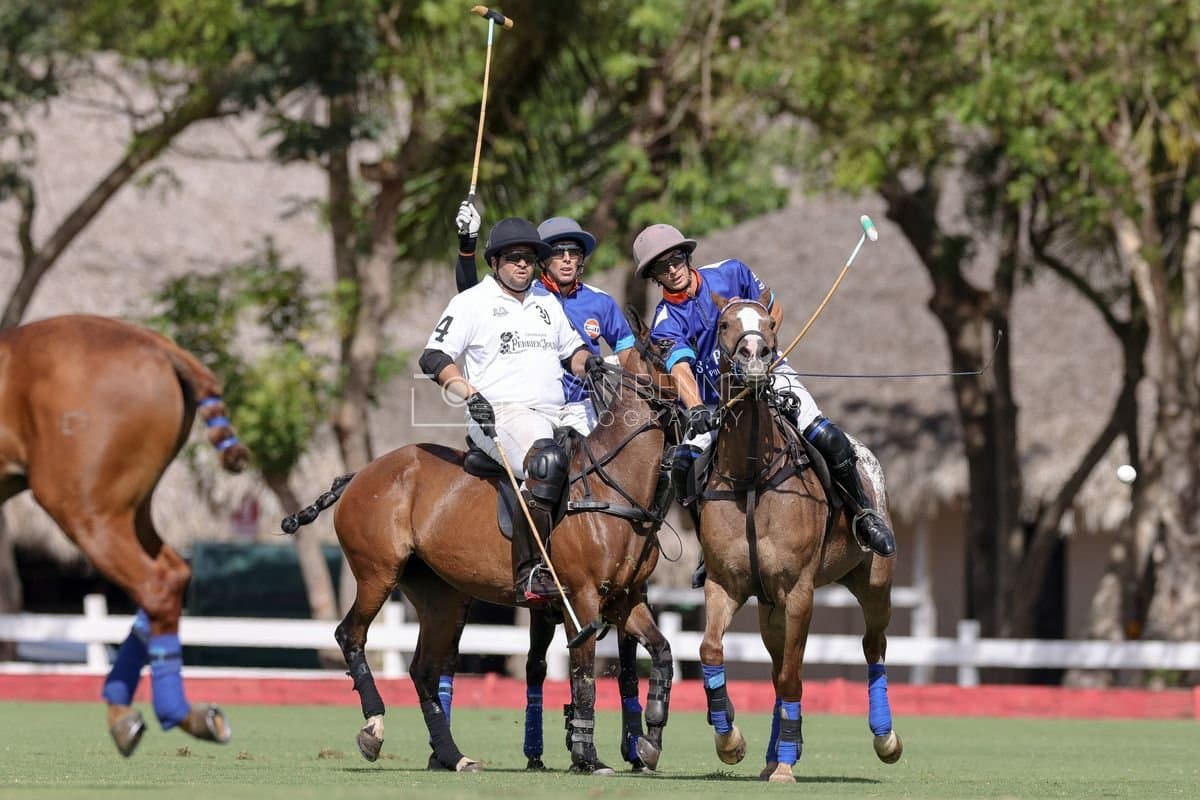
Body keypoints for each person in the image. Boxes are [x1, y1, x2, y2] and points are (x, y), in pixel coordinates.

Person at [632, 223, 896, 586]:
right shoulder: (665, 319)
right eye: (662, 268)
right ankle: (711, 548)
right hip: (718, 401)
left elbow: (774, 311)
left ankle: (864, 516)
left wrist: (764, 355)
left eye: (676, 259)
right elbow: (680, 369)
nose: (673, 270)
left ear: (687, 257)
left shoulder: (730, 272)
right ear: (654, 277)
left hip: (770, 373)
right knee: (682, 464)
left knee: (826, 435)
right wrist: (696, 409)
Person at [420, 216, 594, 605]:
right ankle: (530, 571)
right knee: (546, 462)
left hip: (558, 412)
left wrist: (591, 362)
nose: (523, 265)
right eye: (514, 258)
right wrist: (468, 392)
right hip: (501, 414)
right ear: (495, 262)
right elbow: (433, 357)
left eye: (530, 259)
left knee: (615, 455)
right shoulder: (471, 303)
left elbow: (572, 352)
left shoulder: (546, 301)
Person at [454, 200, 635, 434]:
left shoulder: (602, 301)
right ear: (542, 259)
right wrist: (467, 246)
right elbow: (472, 296)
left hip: (584, 406)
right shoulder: (524, 296)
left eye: (574, 252)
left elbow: (628, 354)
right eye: (559, 252)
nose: (567, 258)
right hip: (531, 408)